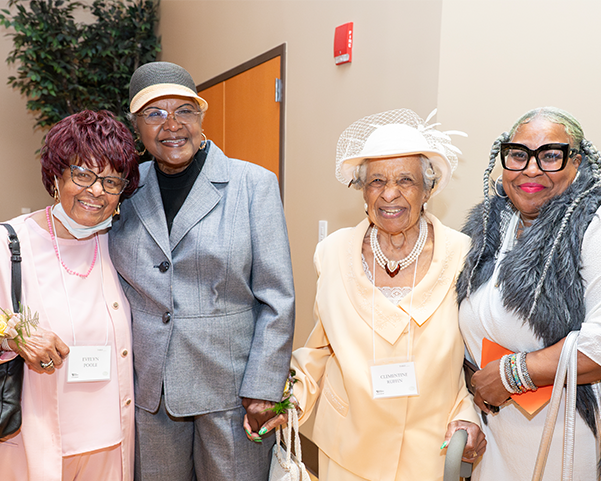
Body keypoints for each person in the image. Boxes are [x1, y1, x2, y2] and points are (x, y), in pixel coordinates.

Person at [261, 109, 485, 481]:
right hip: (349, 449)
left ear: (428, 189)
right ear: (362, 190)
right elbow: (320, 349)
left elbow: (474, 356)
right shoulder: (333, 254)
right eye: (376, 180)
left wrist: (467, 411)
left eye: (405, 180)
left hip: (430, 452)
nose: (390, 193)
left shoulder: (463, 255)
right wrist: (289, 400)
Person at [108, 61, 295, 481]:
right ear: (135, 125)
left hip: (232, 393)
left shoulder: (252, 184)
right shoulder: (123, 187)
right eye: (155, 113)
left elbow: (277, 296)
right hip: (150, 392)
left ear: (201, 116)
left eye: (184, 111)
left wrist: (264, 387)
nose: (172, 125)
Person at [456, 107, 601, 480]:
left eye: (551, 155)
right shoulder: (493, 226)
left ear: (579, 162)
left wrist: (510, 375)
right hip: (500, 445)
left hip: (576, 443)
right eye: (519, 155)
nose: (531, 169)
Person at [0, 110, 140, 480]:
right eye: (82, 174)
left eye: (111, 181)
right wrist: (12, 335)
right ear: (56, 176)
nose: (96, 191)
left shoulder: (121, 246)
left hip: (113, 446)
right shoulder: (9, 243)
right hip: (33, 442)